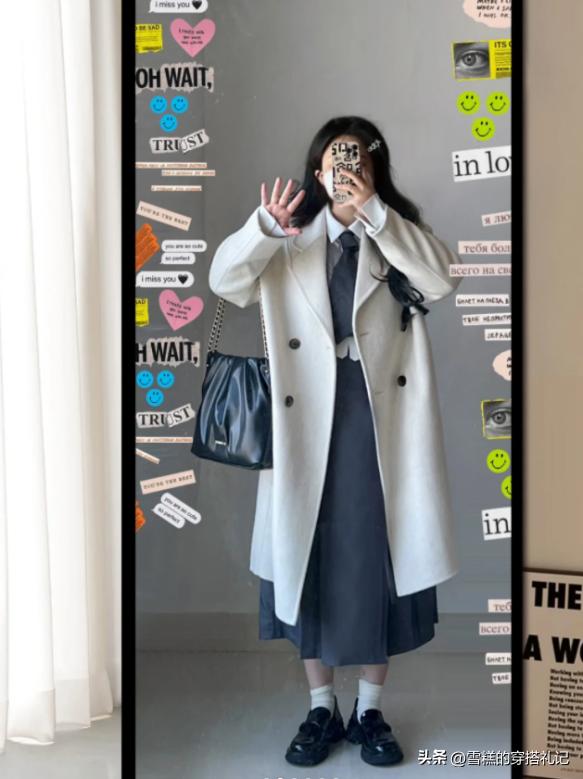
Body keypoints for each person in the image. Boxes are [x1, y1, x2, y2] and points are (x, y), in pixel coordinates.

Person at [208, 116, 463, 768]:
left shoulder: (395, 233)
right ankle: (320, 706)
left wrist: (376, 213)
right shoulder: (287, 238)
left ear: (374, 171)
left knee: (379, 556)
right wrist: (262, 229)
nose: (344, 173)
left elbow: (443, 279)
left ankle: (370, 709)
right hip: (305, 424)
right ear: (316, 171)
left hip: (379, 423)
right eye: (334, 162)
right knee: (310, 556)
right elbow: (224, 283)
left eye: (357, 163)